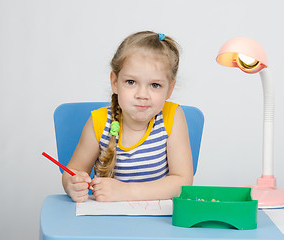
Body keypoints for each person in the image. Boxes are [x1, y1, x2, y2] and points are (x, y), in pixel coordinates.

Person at [62, 31, 193, 203]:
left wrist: (127, 191)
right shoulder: (99, 122)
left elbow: (183, 183)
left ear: (169, 89)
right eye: (131, 82)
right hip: (107, 220)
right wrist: (72, 184)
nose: (142, 94)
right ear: (115, 82)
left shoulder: (172, 117)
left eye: (155, 85)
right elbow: (73, 170)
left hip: (159, 225)